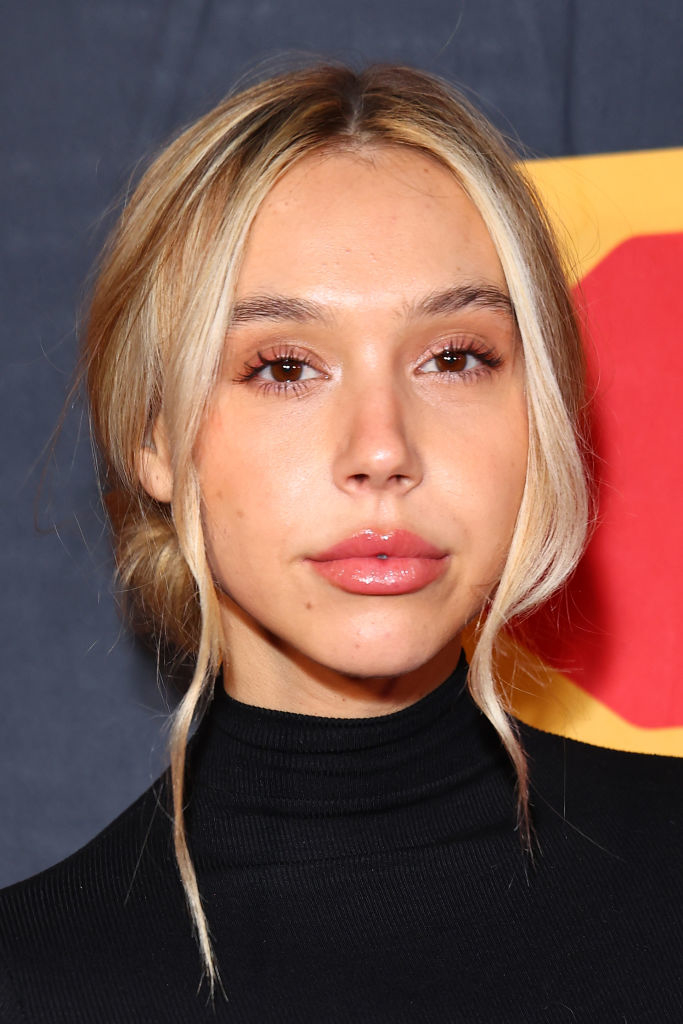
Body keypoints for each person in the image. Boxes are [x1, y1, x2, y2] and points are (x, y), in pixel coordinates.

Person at [0, 63, 681, 1023]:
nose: (381, 448)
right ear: (155, 436)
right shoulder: (34, 979)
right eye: (283, 366)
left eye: (455, 358)